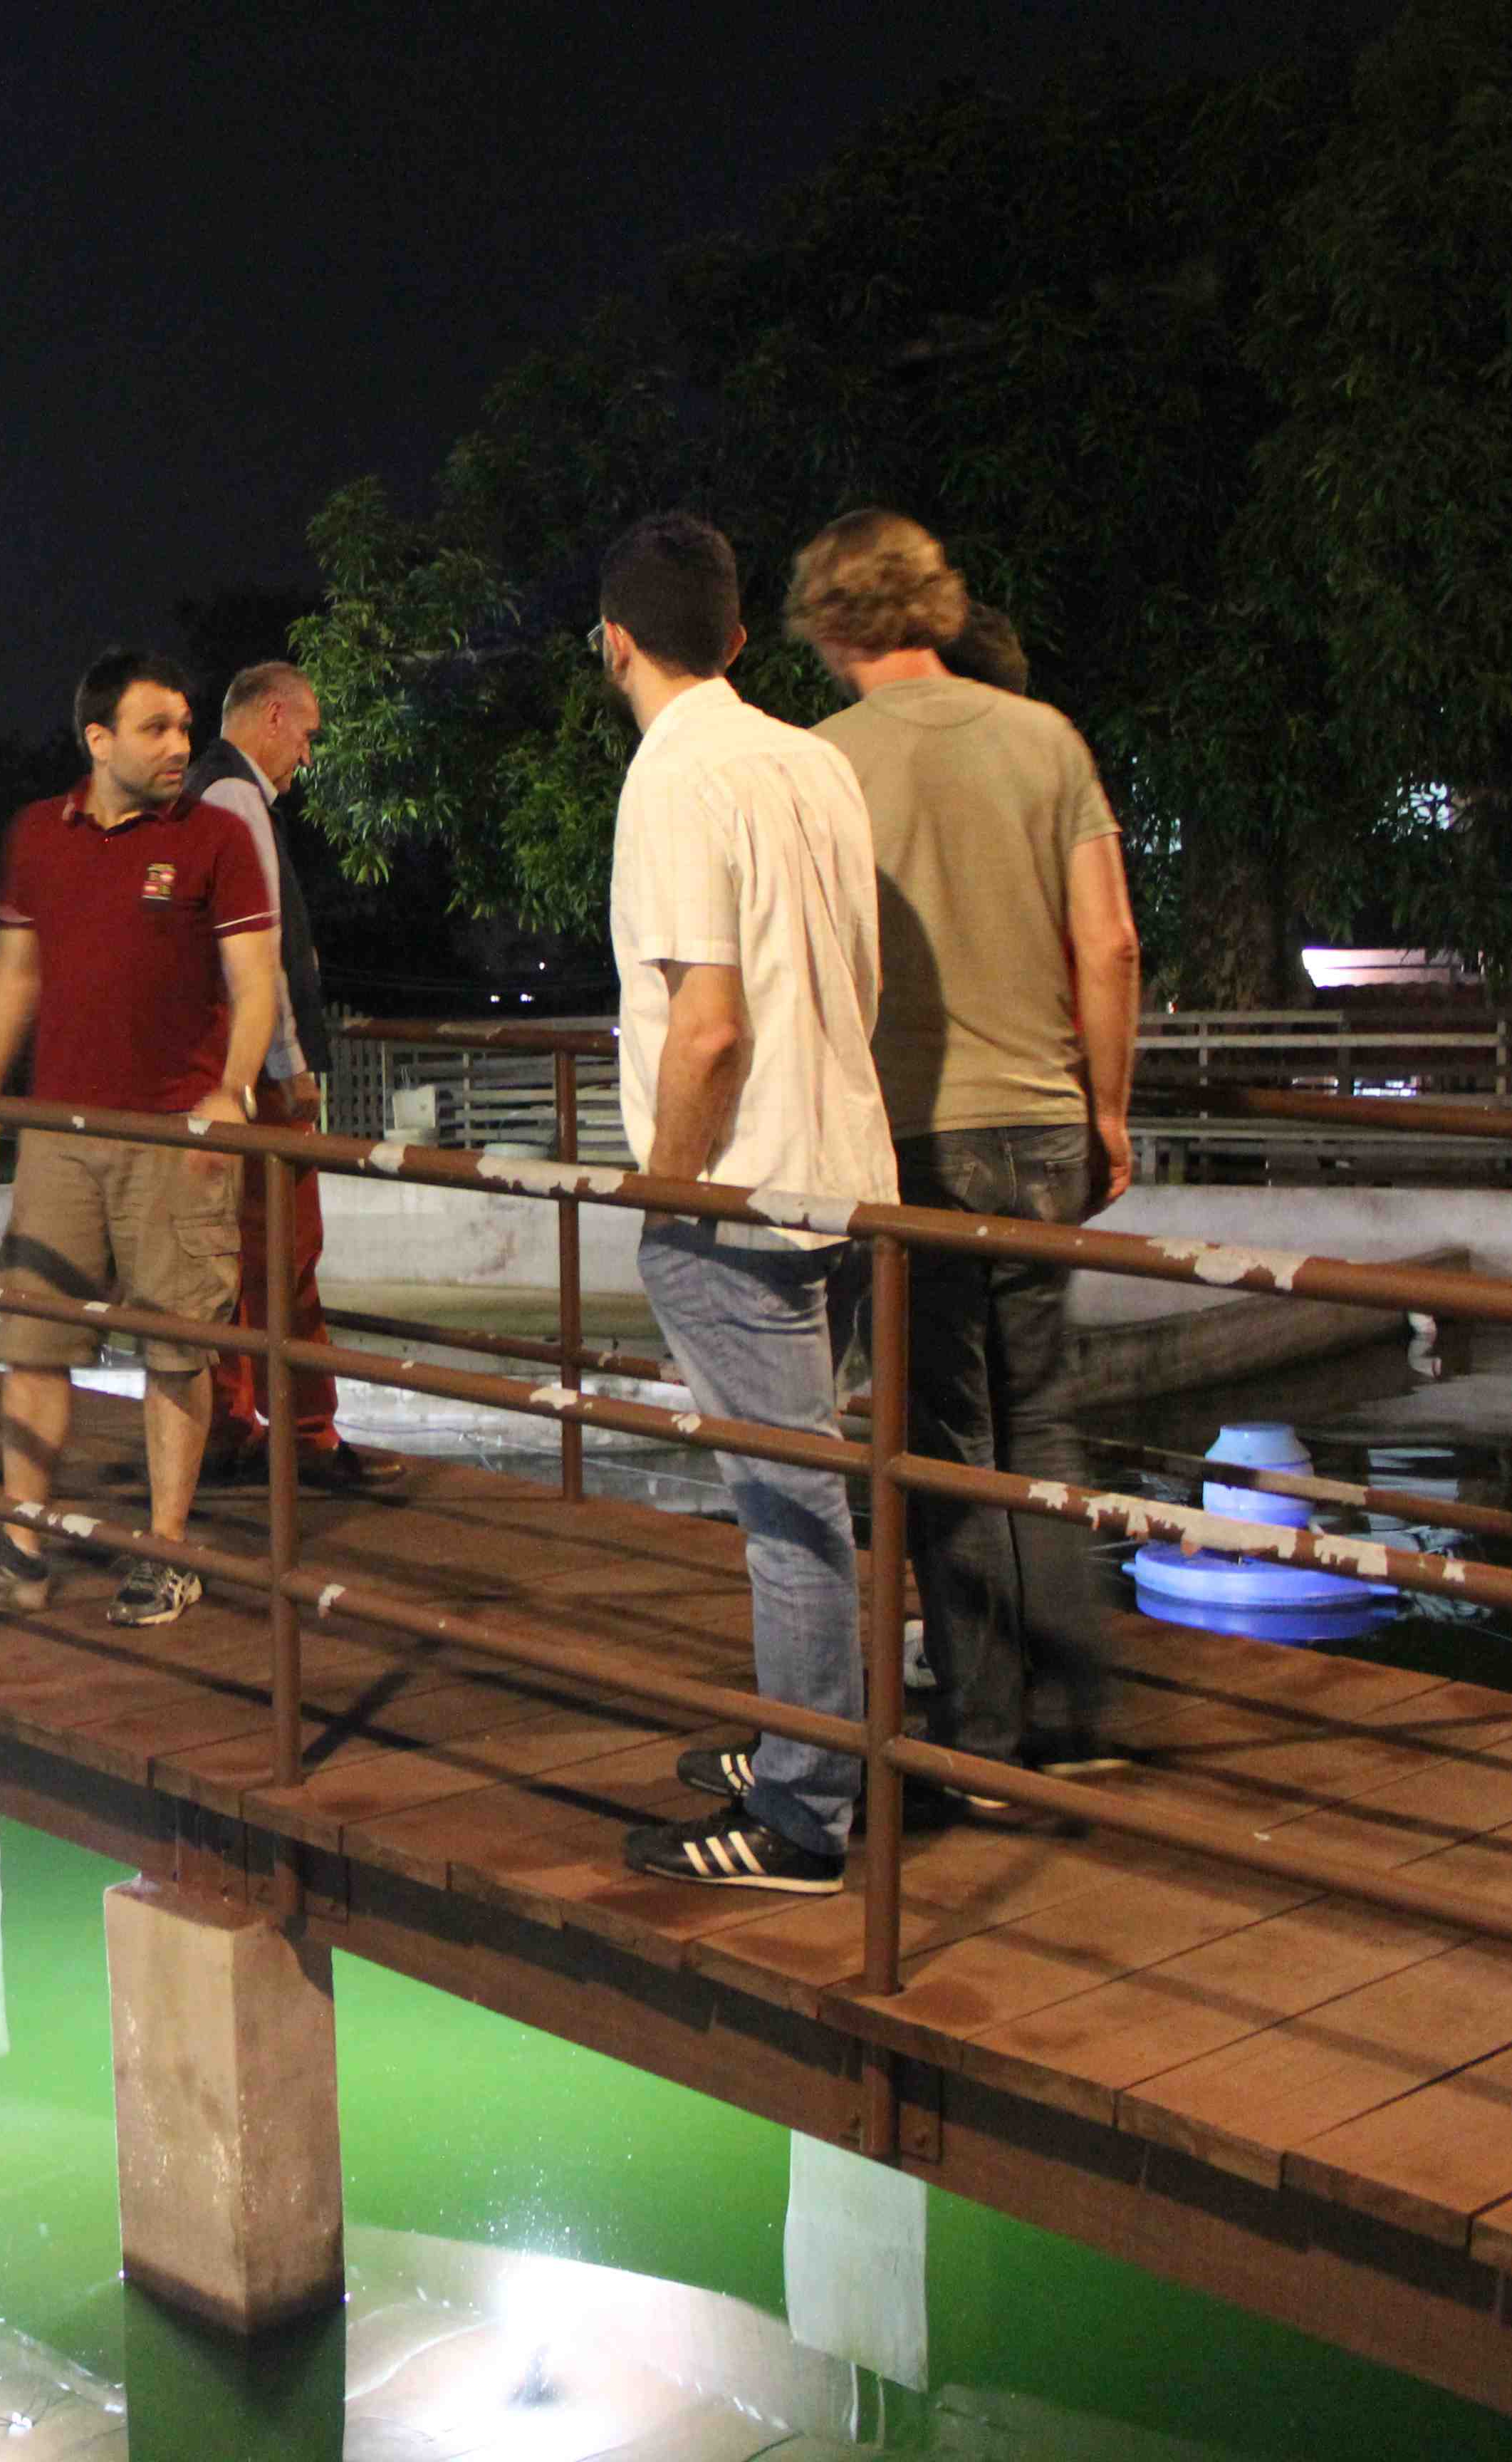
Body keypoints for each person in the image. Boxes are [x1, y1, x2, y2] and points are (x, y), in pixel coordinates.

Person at [795, 509, 1140, 1777]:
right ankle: (1074, 1715)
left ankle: (983, 1733)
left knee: (944, 1436)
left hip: (910, 1139)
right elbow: (1109, 942)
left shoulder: (819, 765)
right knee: (1038, 1418)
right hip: (1042, 1121)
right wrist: (1105, 1109)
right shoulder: (1045, 739)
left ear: (828, 620)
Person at [589, 514, 897, 1896]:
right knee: (817, 1488)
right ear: (731, 637)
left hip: (741, 1193)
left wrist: (665, 1195)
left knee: (786, 1510)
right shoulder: (813, 761)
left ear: (613, 643)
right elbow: (850, 982)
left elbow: (704, 1025)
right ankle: (811, 1743)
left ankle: (803, 1815)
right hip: (847, 1172)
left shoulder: (672, 778)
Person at [0, 651, 278, 1629]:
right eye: (155, 728)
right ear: (98, 740)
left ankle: (168, 1552)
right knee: (34, 1341)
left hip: (174, 1136)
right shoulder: (39, 833)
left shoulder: (215, 836)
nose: (179, 745)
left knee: (175, 1352)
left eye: (184, 726)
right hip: (59, 1132)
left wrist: (231, 1092)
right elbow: (13, 974)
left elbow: (255, 980)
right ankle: (23, 1546)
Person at [185, 661, 407, 1493]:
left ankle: (228, 1427)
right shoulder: (236, 796)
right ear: (273, 716)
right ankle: (308, 1435)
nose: (307, 757)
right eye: (307, 735)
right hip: (257, 1080)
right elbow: (260, 951)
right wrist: (293, 1064)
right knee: (287, 1256)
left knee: (235, 1258)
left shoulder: (203, 792)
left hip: (219, 1070)